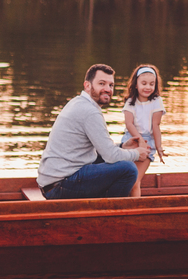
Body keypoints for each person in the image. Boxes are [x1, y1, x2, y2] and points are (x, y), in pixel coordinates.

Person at [37, 64, 143, 199]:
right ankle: (106, 212)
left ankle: (100, 204)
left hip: (52, 183)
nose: (107, 89)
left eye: (111, 85)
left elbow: (104, 150)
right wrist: (136, 154)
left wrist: (123, 147)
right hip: (60, 186)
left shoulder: (78, 102)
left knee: (109, 159)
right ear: (87, 85)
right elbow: (111, 156)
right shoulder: (90, 112)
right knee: (128, 169)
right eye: (102, 83)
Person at [120, 64, 166, 198]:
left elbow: (156, 126)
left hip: (148, 143)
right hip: (131, 139)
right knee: (124, 179)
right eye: (144, 83)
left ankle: (135, 211)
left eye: (152, 84)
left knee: (134, 182)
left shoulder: (156, 101)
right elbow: (129, 124)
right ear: (136, 84)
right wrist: (139, 140)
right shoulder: (130, 102)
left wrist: (159, 147)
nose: (148, 87)